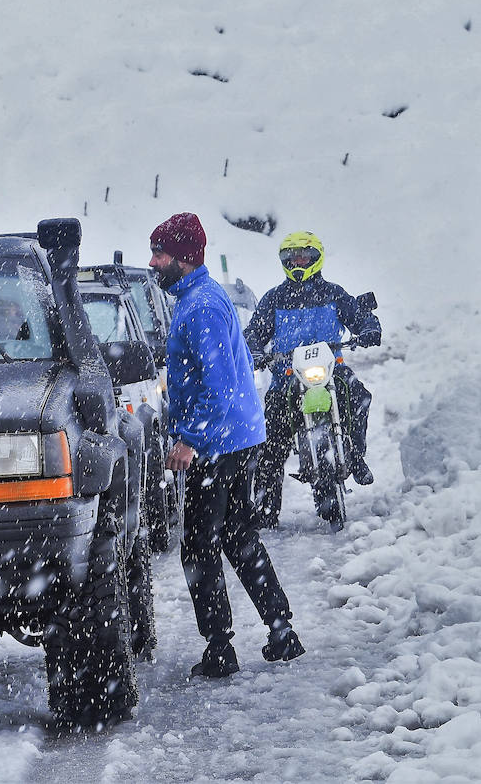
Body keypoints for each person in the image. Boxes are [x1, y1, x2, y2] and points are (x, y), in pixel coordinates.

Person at [149, 212, 305, 678]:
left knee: (199, 546)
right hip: (237, 437)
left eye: (160, 254)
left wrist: (190, 441)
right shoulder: (201, 297)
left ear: (183, 258)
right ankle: (280, 630)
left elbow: (218, 385)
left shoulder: (200, 307)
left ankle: (220, 648)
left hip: (218, 444)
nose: (153, 262)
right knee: (238, 535)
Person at [244, 231, 382, 527]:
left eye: (304, 257)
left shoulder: (333, 293)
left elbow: (358, 315)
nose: (298, 262)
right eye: (293, 257)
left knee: (359, 397)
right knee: (269, 435)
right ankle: (265, 506)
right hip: (287, 375)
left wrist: (369, 328)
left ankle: (356, 457)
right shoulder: (274, 299)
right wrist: (255, 351)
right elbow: (254, 331)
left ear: (316, 259)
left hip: (333, 369)